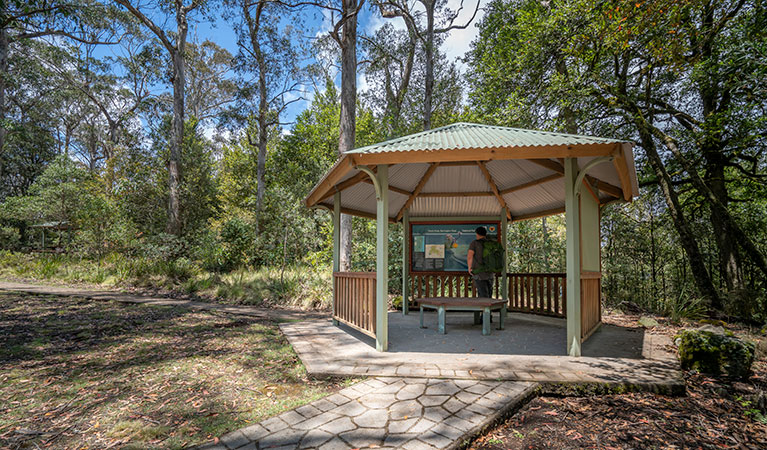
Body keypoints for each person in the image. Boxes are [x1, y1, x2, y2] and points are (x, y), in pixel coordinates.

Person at [467, 226, 493, 298]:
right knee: (489, 293)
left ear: (477, 234)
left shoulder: (474, 243)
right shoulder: (491, 243)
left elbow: (470, 256)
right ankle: (489, 308)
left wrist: (469, 268)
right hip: (490, 273)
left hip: (479, 273)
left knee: (482, 295)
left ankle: (485, 309)